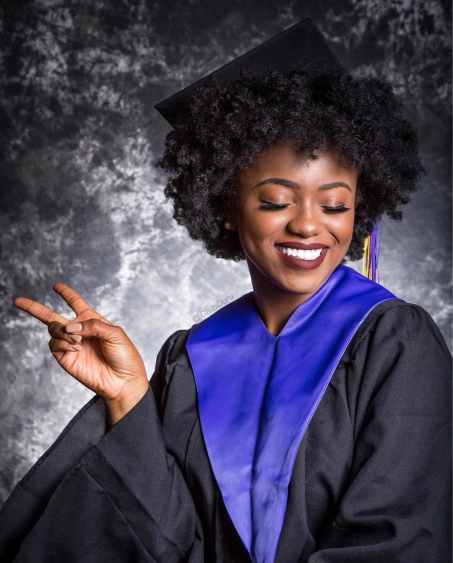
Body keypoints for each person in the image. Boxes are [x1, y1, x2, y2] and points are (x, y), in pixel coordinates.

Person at [0, 18, 451, 563]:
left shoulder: (394, 344)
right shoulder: (188, 359)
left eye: (335, 204)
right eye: (276, 201)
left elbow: (400, 544)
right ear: (225, 207)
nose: (310, 226)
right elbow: (166, 541)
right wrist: (128, 398)